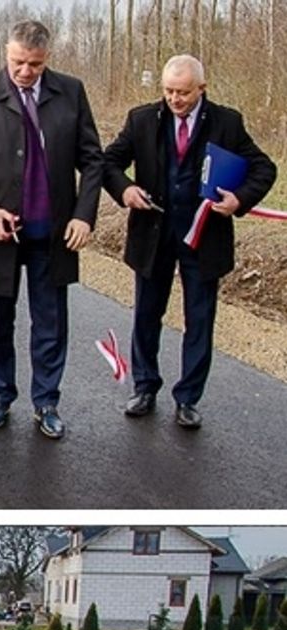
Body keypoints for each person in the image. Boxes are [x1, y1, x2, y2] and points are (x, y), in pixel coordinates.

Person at [103, 55, 276, 429]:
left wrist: (239, 199)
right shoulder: (142, 119)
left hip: (204, 237)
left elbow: (265, 168)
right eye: (169, 91)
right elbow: (109, 163)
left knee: (200, 320)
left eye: (183, 92)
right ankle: (144, 388)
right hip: (154, 235)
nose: (175, 99)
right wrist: (126, 189)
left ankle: (188, 399)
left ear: (202, 89)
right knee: (147, 314)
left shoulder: (228, 122)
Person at [0, 20, 102, 440]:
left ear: (47, 58)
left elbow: (93, 160)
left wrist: (84, 214)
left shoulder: (70, 92)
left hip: (53, 234)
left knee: (50, 322)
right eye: (18, 62)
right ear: (6, 52)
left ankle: (47, 401)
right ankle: (0, 394)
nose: (25, 72)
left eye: (34, 64)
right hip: (0, 234)